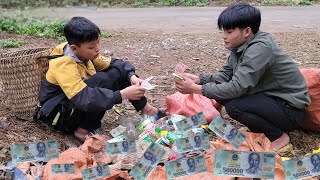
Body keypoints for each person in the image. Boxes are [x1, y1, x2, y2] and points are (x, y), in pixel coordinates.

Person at [174, 3, 310, 150]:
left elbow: (237, 87)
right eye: (223, 31)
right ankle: (263, 129)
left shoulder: (260, 48)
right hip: (271, 99)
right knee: (222, 95)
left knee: (234, 106)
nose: (224, 37)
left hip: (289, 110)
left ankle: (277, 136)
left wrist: (195, 89)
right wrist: (199, 79)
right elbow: (227, 74)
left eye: (229, 32)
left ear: (246, 31)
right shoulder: (241, 45)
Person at [36, 17, 165, 141]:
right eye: (92, 47)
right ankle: (82, 132)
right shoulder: (63, 64)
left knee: (117, 72)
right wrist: (122, 95)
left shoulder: (84, 53)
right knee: (102, 80)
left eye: (98, 42)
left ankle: (146, 109)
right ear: (74, 48)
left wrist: (131, 77)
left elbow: (117, 64)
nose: (97, 49)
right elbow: (83, 98)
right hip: (61, 115)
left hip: (76, 104)